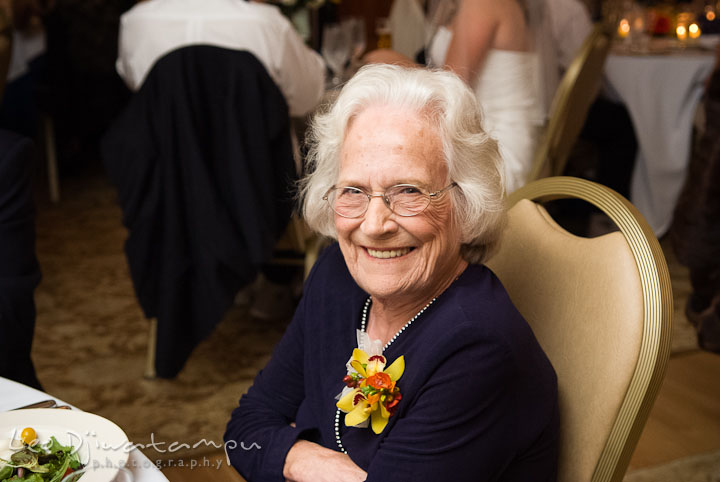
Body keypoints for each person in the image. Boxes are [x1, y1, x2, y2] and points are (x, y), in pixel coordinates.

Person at [225, 64, 559, 482]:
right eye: (354, 191)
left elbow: (261, 441)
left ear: (466, 201)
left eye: (408, 191)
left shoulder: (480, 348)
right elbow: (243, 432)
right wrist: (313, 463)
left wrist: (284, 450)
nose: (374, 224)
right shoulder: (335, 276)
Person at [366, 0, 547, 193]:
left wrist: (399, 63)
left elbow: (452, 90)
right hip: (484, 135)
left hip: (497, 151)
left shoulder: (482, 4)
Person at [115, 0, 325, 118]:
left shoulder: (136, 22)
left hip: (163, 179)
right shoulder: (265, 23)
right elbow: (308, 99)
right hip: (260, 177)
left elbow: (139, 90)